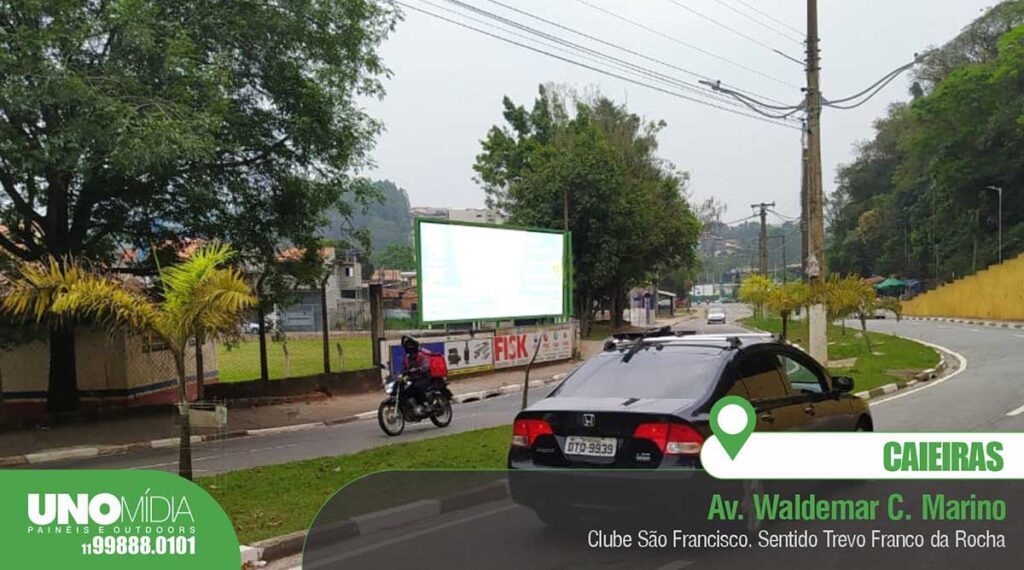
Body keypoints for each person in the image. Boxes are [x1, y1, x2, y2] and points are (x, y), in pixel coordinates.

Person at [400, 335, 433, 414]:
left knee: (418, 387)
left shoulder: (420, 355)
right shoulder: (406, 358)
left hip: (424, 377)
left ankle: (426, 404)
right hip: (413, 379)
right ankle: (412, 407)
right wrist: (401, 375)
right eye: (408, 345)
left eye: (411, 345)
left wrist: (418, 369)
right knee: (405, 391)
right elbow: (403, 369)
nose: (409, 347)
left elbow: (426, 366)